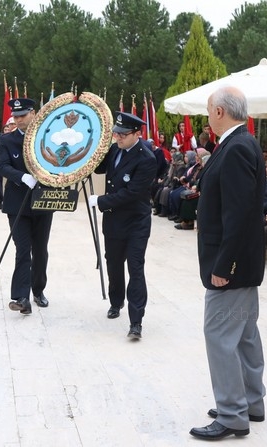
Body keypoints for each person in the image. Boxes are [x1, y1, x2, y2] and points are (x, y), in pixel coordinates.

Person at [189, 87, 266, 441]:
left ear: (220, 112)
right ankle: (251, 401)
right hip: (242, 262)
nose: (207, 117)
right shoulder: (242, 142)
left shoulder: (235, 148)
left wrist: (225, 265)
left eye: (208, 110)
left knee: (219, 335)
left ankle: (233, 414)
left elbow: (238, 214)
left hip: (231, 265)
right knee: (244, 333)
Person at [88, 111, 156, 339]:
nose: (118, 138)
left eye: (123, 134)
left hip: (136, 221)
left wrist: (100, 201)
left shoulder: (146, 158)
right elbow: (98, 168)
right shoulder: (115, 149)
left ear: (137, 134)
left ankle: (136, 321)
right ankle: (116, 302)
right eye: (115, 133)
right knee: (113, 264)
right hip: (114, 220)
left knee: (135, 268)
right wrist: (89, 153)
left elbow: (132, 193)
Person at [0, 98, 53, 315]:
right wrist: (21, 176)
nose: (18, 120)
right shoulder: (7, 140)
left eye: (22, 116)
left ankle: (38, 290)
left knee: (40, 250)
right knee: (23, 249)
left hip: (43, 201)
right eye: (15, 116)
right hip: (17, 203)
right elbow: (3, 166)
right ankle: (21, 297)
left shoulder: (47, 137)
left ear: (33, 113)